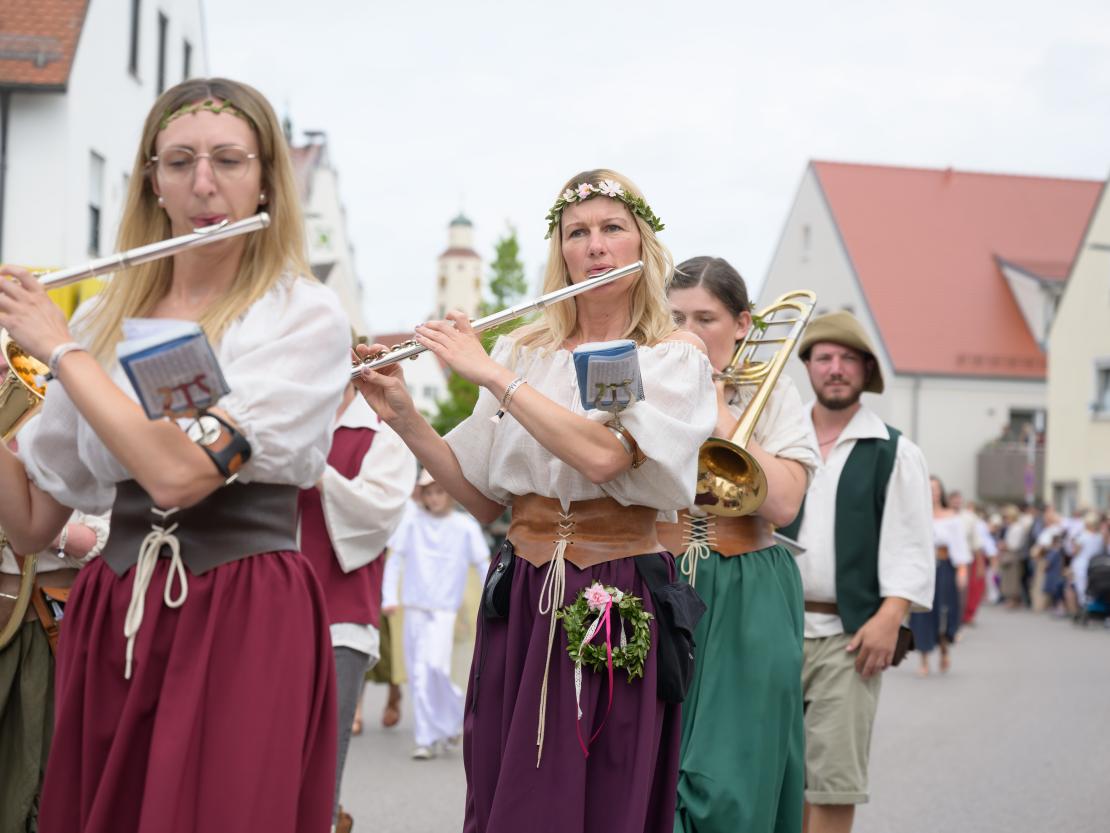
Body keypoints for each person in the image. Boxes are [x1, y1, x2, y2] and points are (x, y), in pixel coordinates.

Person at [0, 77, 350, 833]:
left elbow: (179, 473)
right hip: (116, 606)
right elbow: (30, 522)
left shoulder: (300, 316)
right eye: (179, 160)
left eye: (228, 159)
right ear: (151, 180)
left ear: (265, 182)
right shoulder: (103, 316)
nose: (202, 184)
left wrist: (59, 351)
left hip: (241, 607)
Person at [354, 168, 717, 833]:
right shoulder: (526, 350)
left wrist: (489, 370)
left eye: (613, 228)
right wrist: (403, 413)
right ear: (562, 251)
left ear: (642, 248)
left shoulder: (669, 354)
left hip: (615, 584)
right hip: (523, 585)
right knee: (510, 780)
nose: (596, 245)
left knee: (603, 774)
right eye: (578, 232)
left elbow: (605, 456)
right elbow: (480, 495)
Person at [660, 257, 819, 832]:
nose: (687, 332)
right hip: (659, 575)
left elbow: (784, 504)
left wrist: (723, 416)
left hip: (748, 583)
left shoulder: (772, 392)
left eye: (705, 318)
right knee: (653, 764)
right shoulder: (642, 383)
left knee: (732, 776)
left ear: (742, 323)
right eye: (675, 317)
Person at [777, 311, 934, 833]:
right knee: (777, 774)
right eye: (824, 358)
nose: (836, 368)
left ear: (866, 371)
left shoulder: (894, 451)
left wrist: (891, 616)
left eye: (848, 359)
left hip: (850, 635)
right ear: (808, 368)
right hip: (772, 626)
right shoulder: (778, 438)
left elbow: (912, 545)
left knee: (832, 781)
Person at [297, 367, 416, 831]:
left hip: (339, 613)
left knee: (323, 762)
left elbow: (377, 513)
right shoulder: (287, 421)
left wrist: (316, 470)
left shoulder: (381, 433)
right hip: (265, 610)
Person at [0, 507, 109, 832]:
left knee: (41, 774)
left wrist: (36, 528)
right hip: (11, 618)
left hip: (53, 626)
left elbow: (114, 537)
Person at [383, 470, 489, 759]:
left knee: (436, 668)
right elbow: (395, 561)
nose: (434, 498)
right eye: (428, 493)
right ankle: (425, 738)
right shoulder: (412, 523)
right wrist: (389, 596)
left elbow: (483, 565)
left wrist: (492, 601)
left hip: (444, 610)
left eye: (440, 491)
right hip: (415, 607)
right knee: (418, 675)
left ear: (450, 493)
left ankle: (452, 720)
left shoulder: (464, 527)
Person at [909, 477, 971, 676]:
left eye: (936, 488)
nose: (933, 492)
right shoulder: (916, 515)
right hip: (922, 568)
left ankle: (944, 649)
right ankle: (924, 659)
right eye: (928, 488)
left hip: (944, 567)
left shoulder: (952, 517)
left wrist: (961, 571)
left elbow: (959, 546)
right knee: (921, 612)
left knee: (944, 612)